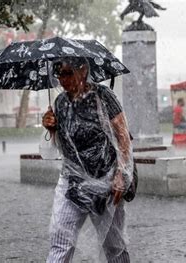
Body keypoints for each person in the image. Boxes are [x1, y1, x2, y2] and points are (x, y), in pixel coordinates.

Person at [42, 57, 133, 262]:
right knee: (60, 241)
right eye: (58, 74)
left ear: (83, 70)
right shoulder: (60, 103)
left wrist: (121, 174)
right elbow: (62, 147)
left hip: (105, 182)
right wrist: (51, 129)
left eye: (67, 73)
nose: (62, 80)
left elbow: (123, 136)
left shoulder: (103, 96)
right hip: (71, 182)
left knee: (114, 246)